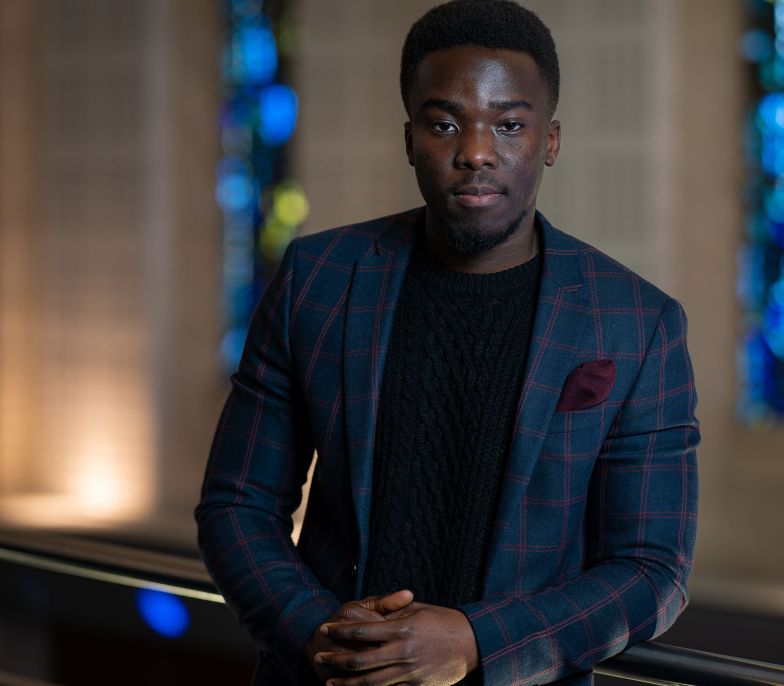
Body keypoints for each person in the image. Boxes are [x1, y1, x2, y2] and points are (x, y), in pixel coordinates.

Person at [195, 1, 700, 684]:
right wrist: (321, 635)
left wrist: (475, 641)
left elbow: (651, 569)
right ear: (410, 140)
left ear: (549, 141)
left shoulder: (637, 324)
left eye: (509, 124)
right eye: (445, 124)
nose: (476, 151)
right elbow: (237, 504)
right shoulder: (320, 279)